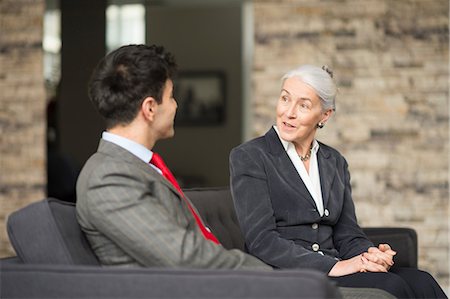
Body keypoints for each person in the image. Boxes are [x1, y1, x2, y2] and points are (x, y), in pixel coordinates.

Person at [229, 65, 447, 299]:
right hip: (289, 272)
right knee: (391, 287)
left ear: (325, 115)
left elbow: (347, 233)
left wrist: (369, 254)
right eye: (285, 99)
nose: (288, 113)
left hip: (335, 265)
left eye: (303, 105)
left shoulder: (334, 161)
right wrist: (335, 266)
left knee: (423, 281)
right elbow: (262, 241)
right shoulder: (250, 156)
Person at [76, 44, 270, 270]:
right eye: (171, 97)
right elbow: (185, 257)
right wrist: (269, 275)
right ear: (150, 108)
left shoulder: (135, 166)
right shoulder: (108, 178)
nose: (175, 105)